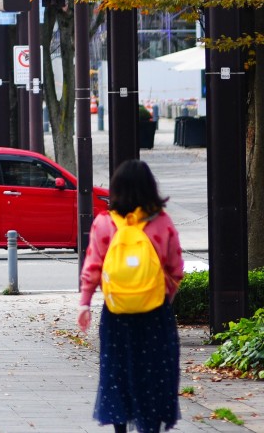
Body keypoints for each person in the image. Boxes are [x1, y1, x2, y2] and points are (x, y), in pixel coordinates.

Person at [77, 159, 184, 433]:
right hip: (155, 317)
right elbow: (176, 269)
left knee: (117, 376)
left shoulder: (104, 223)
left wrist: (85, 304)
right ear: (150, 188)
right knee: (154, 378)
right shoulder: (162, 223)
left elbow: (93, 266)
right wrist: (160, 297)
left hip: (116, 315)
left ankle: (120, 428)